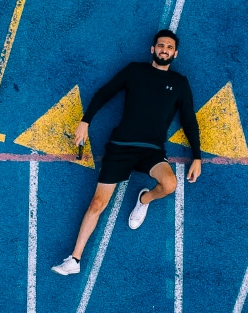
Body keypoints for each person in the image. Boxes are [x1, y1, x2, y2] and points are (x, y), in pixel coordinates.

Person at [52, 29, 202, 275]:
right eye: (161, 45)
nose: (165, 49)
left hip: (152, 151)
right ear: (152, 49)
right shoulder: (134, 71)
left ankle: (144, 199)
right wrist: (85, 121)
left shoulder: (179, 83)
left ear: (175, 53)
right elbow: (104, 92)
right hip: (120, 147)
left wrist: (197, 156)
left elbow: (189, 120)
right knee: (98, 203)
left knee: (170, 184)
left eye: (169, 47)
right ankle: (74, 260)